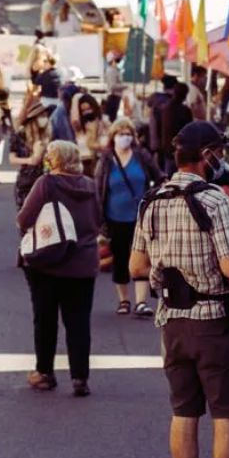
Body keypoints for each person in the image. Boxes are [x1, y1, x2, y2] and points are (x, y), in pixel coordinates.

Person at [130, 121, 229, 458]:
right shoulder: (215, 201)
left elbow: (136, 267)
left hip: (173, 322)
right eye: (217, 152)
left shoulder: (151, 200)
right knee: (226, 417)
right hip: (217, 321)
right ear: (206, 156)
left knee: (184, 413)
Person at [18, 140, 104, 395]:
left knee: (45, 319)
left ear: (54, 160)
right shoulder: (90, 185)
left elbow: (24, 218)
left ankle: (44, 372)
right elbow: (98, 220)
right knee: (78, 322)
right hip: (83, 263)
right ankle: (80, 378)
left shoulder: (47, 184)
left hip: (48, 264)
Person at [96, 118, 163, 317]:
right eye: (120, 134)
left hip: (139, 217)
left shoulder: (141, 156)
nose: (124, 137)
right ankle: (123, 300)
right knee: (120, 259)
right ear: (113, 137)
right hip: (113, 218)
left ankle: (141, 302)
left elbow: (158, 176)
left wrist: (155, 197)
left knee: (141, 258)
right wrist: (99, 220)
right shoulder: (107, 159)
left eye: (128, 134)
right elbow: (98, 187)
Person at [12, 102, 54, 208]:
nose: (44, 119)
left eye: (45, 116)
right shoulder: (20, 135)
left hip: (45, 182)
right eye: (41, 116)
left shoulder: (48, 135)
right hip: (26, 182)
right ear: (34, 118)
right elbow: (12, 158)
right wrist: (29, 160)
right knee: (25, 215)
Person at [72, 92, 109, 158]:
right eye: (83, 110)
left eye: (89, 109)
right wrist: (75, 98)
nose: (87, 112)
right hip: (84, 161)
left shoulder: (104, 122)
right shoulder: (80, 126)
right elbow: (75, 120)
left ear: (94, 107)